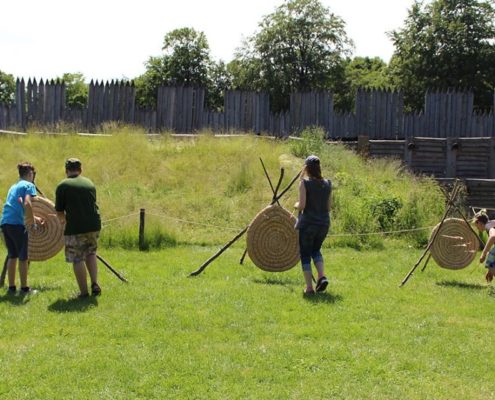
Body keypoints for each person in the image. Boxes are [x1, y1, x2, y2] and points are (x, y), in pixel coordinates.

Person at [55, 158, 102, 298]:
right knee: (91, 253)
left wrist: (63, 222)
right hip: (94, 225)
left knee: (77, 258)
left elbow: (59, 211)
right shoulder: (89, 183)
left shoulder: (63, 185)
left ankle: (83, 293)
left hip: (76, 227)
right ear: (80, 170)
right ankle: (94, 284)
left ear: (66, 171)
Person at [1, 162, 43, 295]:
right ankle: (25, 289)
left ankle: (11, 288)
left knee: (12, 255)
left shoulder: (13, 187)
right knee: (23, 257)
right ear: (30, 174)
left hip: (5, 222)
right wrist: (33, 224)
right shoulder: (29, 185)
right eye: (33, 174)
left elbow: (19, 206)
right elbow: (27, 203)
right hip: (17, 225)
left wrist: (33, 218)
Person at [294, 155, 332, 295]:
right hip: (324, 224)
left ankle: (309, 288)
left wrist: (296, 205)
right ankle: (321, 276)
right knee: (316, 250)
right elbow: (328, 207)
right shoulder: (328, 183)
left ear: (306, 168)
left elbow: (302, 205)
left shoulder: (304, 183)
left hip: (308, 225)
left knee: (305, 255)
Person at [473, 212, 495, 283]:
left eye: (477, 226)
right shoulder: (491, 223)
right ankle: (491, 273)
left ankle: (491, 272)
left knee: (491, 254)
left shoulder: (488, 227)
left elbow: (493, 237)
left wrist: (483, 253)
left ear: (479, 223)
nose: (477, 228)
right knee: (492, 254)